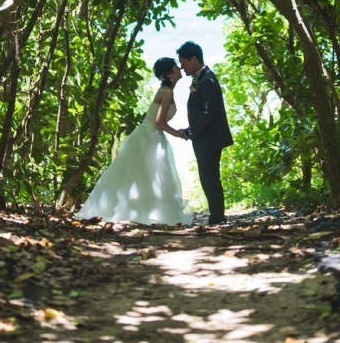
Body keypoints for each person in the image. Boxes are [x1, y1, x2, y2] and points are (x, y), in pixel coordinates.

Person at [76, 57, 193, 226]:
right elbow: (159, 122)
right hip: (149, 136)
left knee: (147, 175)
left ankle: (145, 211)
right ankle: (137, 212)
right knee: (145, 174)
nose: (180, 68)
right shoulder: (166, 92)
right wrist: (178, 133)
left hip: (151, 135)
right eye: (176, 67)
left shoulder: (167, 91)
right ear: (168, 74)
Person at [177, 40, 233, 227]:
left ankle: (217, 217)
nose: (181, 67)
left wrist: (190, 131)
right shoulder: (201, 78)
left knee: (209, 177)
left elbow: (208, 113)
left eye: (183, 62)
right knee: (208, 177)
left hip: (210, 138)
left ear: (193, 59)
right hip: (205, 137)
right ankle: (216, 215)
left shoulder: (207, 80)